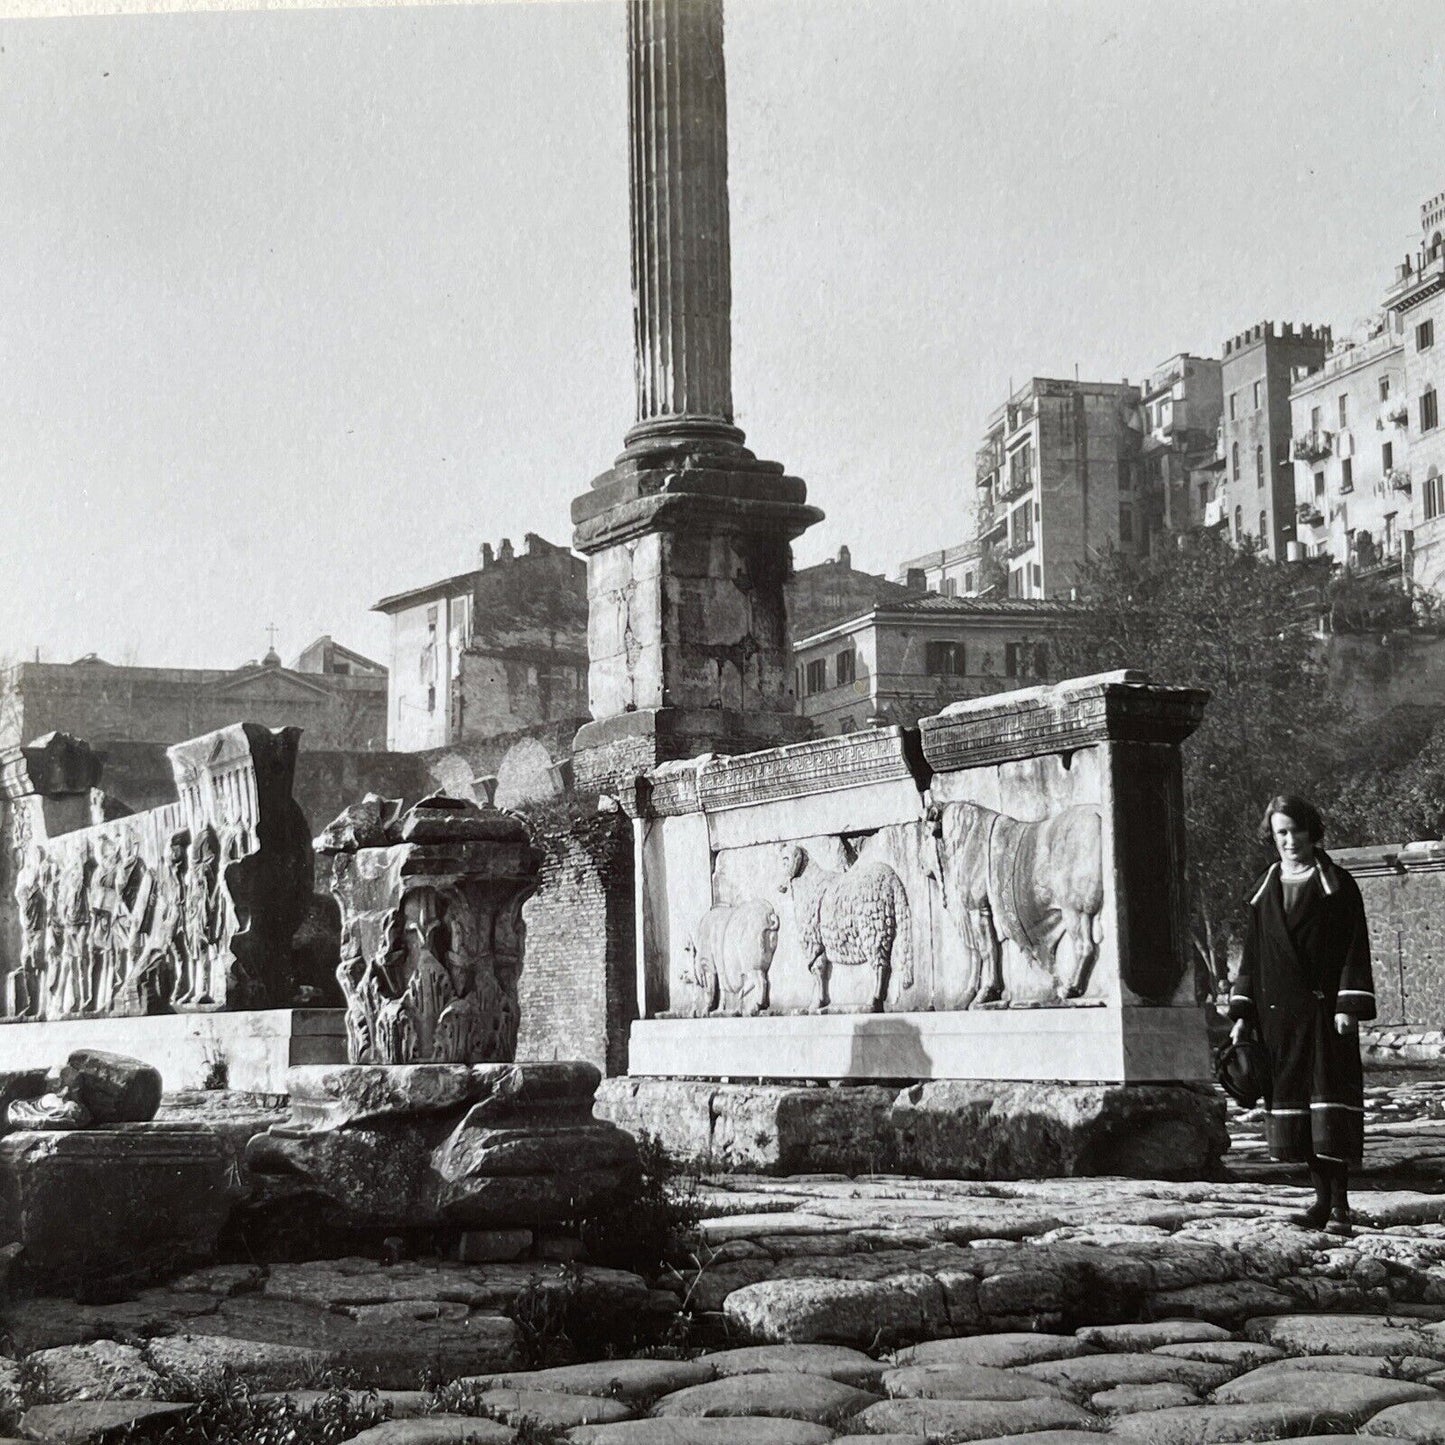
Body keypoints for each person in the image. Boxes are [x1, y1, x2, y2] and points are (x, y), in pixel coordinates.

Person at [1228, 795, 1375, 1235]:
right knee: (1296, 1111)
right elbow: (1252, 959)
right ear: (1272, 838)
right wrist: (1242, 1012)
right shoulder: (1263, 890)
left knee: (1328, 1108)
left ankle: (1341, 1207)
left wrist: (1348, 1005)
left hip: (1325, 1016)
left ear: (1312, 832)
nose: (1290, 841)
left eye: (1296, 831)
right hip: (1279, 1022)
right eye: (1281, 833)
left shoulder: (1337, 886)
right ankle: (1319, 1201)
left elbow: (1355, 947)